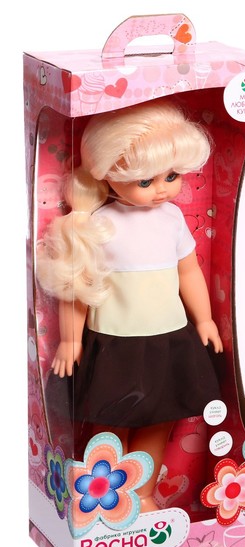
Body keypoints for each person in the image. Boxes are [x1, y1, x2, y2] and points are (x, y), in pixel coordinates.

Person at [37, 99, 222, 514]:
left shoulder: (173, 219)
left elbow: (189, 272)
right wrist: (70, 340)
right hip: (114, 343)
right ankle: (105, 497)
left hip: (169, 339)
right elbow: (77, 286)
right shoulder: (96, 226)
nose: (162, 188)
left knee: (160, 421)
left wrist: (205, 319)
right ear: (107, 175)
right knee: (110, 424)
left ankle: (142, 494)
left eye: (172, 176)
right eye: (145, 180)